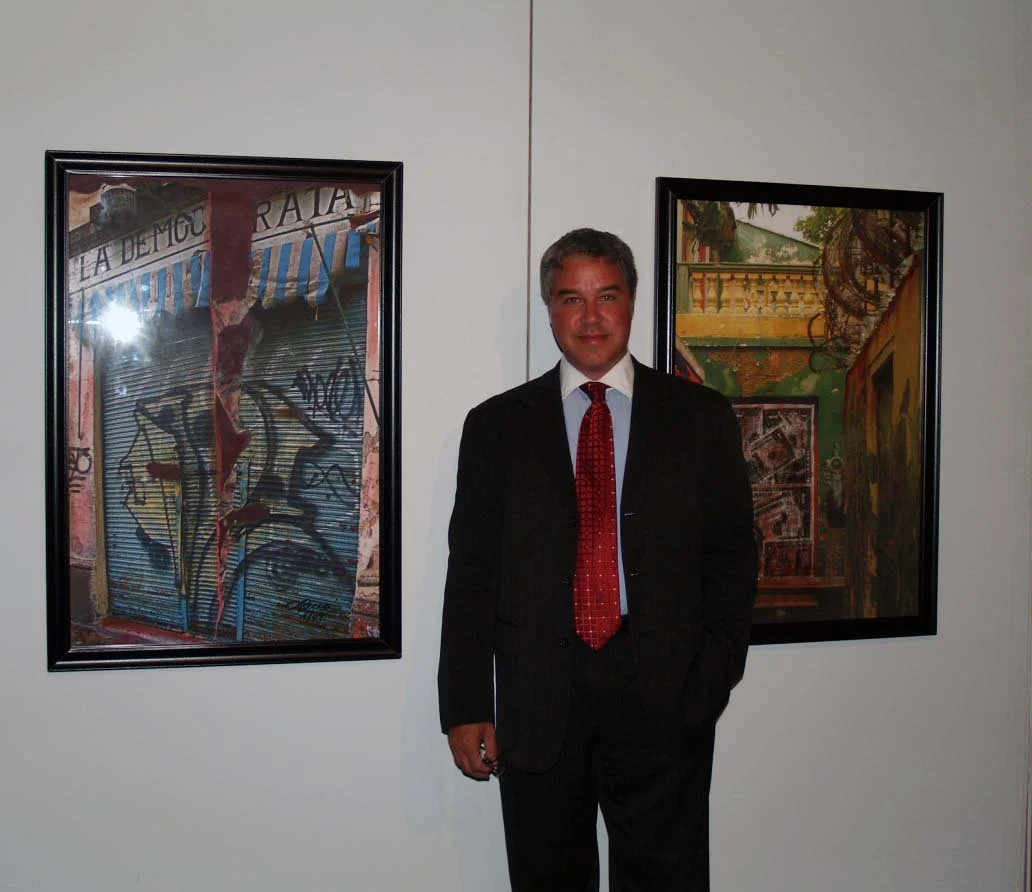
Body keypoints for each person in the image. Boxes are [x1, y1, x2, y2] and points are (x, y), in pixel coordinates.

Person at [438, 228, 758, 891]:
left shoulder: (701, 419)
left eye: (606, 296)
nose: (590, 317)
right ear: (549, 309)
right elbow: (470, 574)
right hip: (538, 697)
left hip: (665, 693)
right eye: (570, 299)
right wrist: (465, 704)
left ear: (632, 300)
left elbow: (732, 560)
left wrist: (710, 676)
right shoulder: (496, 427)